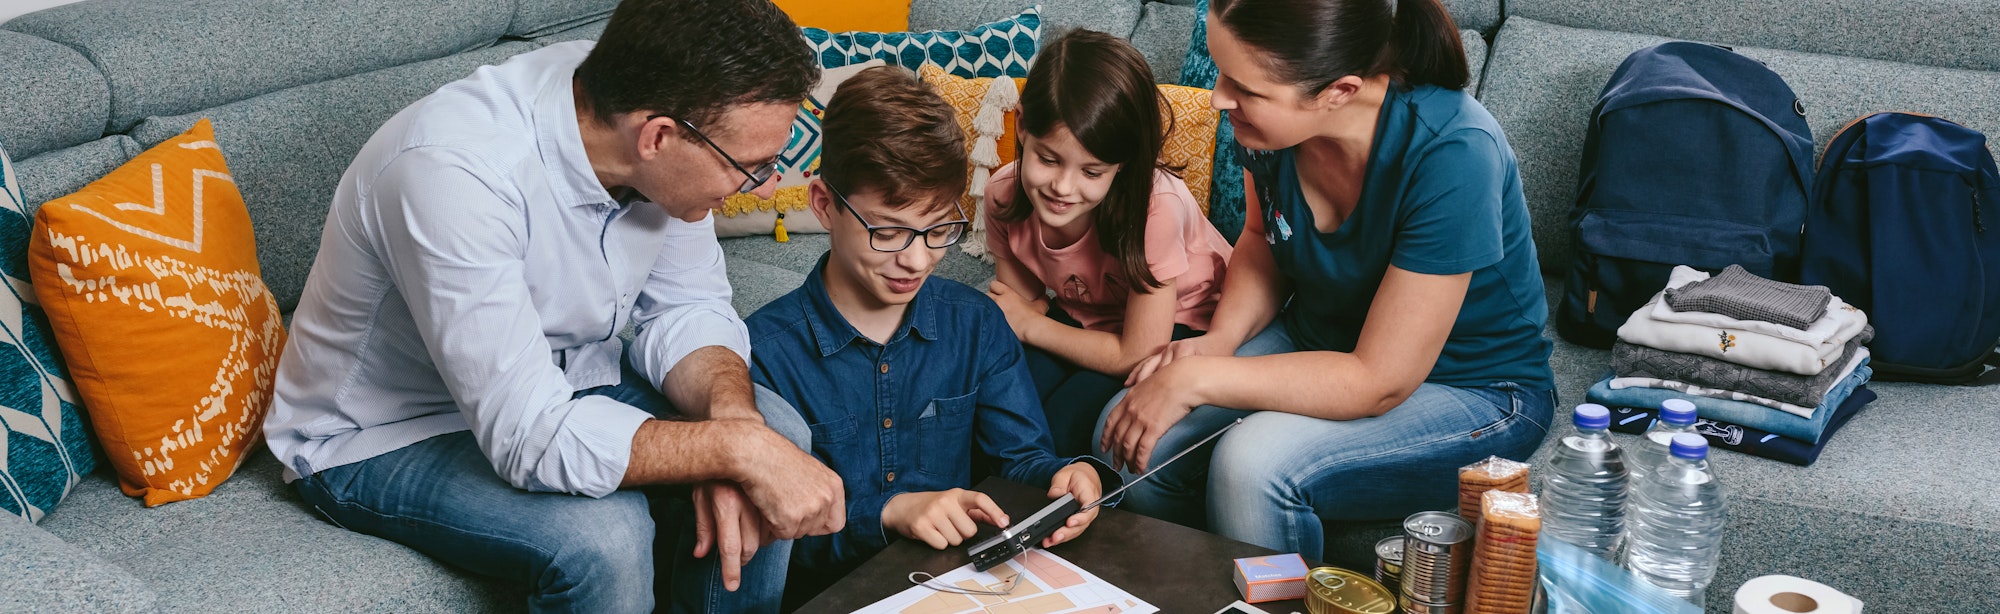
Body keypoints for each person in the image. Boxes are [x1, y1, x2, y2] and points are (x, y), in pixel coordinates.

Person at [261, 1, 845, 611]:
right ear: (659, 137)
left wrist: (738, 427)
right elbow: (528, 437)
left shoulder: (639, 104)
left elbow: (685, 306)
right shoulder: (454, 174)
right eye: (750, 168)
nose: (761, 187)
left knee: (776, 432)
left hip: (564, 377)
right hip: (383, 435)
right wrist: (734, 450)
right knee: (607, 539)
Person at [1097, 0, 1556, 560]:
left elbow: (1375, 379)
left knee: (1253, 466)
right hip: (1323, 337)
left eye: (1244, 87)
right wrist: (1216, 346)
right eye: (1221, 72)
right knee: (1126, 437)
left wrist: (1200, 380)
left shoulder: (1454, 151)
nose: (1218, 98)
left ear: (1338, 91)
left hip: (1474, 388)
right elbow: (1262, 239)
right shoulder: (1267, 127)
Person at [743, 66, 1121, 598]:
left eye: (940, 227)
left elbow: (1023, 462)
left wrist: (1071, 478)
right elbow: (763, 540)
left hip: (961, 592)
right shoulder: (763, 354)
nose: (917, 259)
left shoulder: (975, 323)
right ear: (825, 205)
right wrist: (889, 514)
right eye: (889, 231)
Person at [982, 30, 1233, 458]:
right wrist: (1026, 326)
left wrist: (1031, 325)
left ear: (1123, 163)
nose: (1063, 187)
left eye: (1092, 172)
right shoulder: (1002, 194)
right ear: (1022, 126)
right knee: (994, 413)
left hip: (1178, 325)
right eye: (1048, 159)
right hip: (1084, 317)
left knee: (1059, 434)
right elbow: (1017, 310)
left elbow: (1135, 350)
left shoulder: (1157, 208)